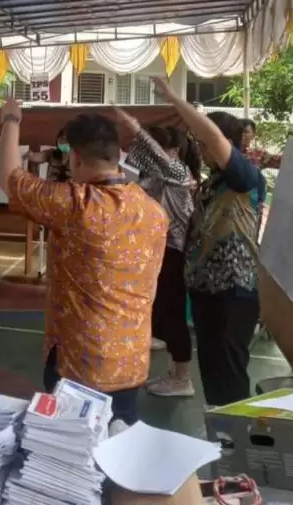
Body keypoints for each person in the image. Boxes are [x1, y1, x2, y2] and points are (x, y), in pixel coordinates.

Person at [0, 99, 168, 425]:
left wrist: (11, 120)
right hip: (131, 359)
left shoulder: (77, 205)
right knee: (119, 440)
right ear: (117, 154)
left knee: (71, 448)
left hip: (80, 363)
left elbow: (8, 177)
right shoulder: (153, 211)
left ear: (74, 157)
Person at [153, 77, 265, 408]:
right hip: (207, 290)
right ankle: (220, 428)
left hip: (233, 292)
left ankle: (236, 433)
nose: (200, 151)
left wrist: (176, 101)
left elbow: (213, 137)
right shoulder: (214, 181)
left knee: (229, 376)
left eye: (203, 144)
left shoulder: (244, 177)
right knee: (213, 372)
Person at [125, 125, 200, 397]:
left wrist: (135, 126)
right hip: (160, 250)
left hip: (174, 252)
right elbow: (134, 161)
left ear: (174, 151)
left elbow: (151, 156)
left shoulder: (178, 172)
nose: (149, 156)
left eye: (157, 150)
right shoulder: (160, 174)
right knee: (163, 314)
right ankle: (173, 373)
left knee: (174, 315)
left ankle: (182, 379)